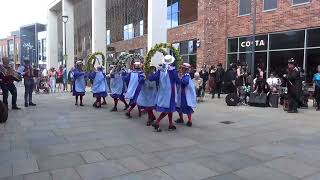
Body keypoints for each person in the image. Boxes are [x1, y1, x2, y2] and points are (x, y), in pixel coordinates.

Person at [149, 55, 180, 132]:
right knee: (168, 108)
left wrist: (148, 75)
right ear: (171, 62)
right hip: (171, 92)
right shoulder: (173, 70)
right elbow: (178, 80)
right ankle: (157, 122)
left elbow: (153, 78)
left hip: (162, 91)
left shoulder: (160, 70)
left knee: (169, 109)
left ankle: (170, 124)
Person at [175, 63, 197, 127]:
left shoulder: (186, 75)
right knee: (178, 106)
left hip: (185, 94)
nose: (181, 69)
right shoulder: (182, 75)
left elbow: (185, 82)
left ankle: (189, 121)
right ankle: (181, 119)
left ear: (185, 69)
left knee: (187, 106)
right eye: (181, 68)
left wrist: (179, 80)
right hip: (180, 93)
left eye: (182, 68)